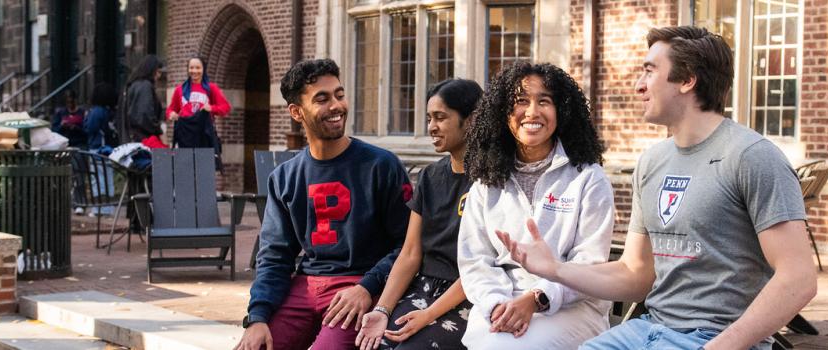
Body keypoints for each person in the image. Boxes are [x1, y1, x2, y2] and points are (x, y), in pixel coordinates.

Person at [495, 26, 817, 350]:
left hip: (717, 338)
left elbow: (798, 279)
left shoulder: (752, 157)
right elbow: (635, 274)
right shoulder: (652, 162)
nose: (639, 86)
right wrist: (555, 270)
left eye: (649, 71)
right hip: (649, 330)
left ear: (687, 79)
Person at [234, 59, 411, 350]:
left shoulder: (381, 165)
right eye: (322, 99)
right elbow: (275, 255)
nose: (336, 106)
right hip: (304, 288)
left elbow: (408, 245)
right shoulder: (285, 178)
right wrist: (257, 317)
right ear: (296, 112)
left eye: (339, 95)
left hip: (359, 285)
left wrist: (367, 287)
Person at [455, 62, 612, 349]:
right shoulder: (487, 182)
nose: (532, 112)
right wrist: (498, 305)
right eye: (521, 101)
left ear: (561, 111)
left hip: (573, 307)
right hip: (501, 304)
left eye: (544, 101)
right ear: (503, 113)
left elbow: (591, 261)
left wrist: (536, 297)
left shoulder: (587, 178)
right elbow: (475, 260)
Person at [354, 79, 483, 350]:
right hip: (423, 287)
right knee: (376, 344)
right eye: (429, 118)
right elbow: (410, 253)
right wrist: (382, 310)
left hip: (469, 294)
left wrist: (429, 315)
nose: (431, 127)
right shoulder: (429, 177)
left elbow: (481, 267)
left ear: (471, 121)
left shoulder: (492, 182)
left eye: (440, 117)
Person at [166, 56, 230, 154]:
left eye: (198, 68)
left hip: (204, 133)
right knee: (186, 166)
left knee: (204, 167)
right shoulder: (180, 89)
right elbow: (170, 110)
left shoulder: (211, 88)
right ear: (188, 69)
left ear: (203, 69)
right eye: (191, 68)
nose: (194, 71)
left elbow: (225, 107)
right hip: (185, 134)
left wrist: (211, 108)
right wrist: (171, 114)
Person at [119, 56, 164, 145]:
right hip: (143, 141)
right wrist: (159, 131)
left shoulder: (132, 85)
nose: (159, 76)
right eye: (158, 72)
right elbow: (145, 114)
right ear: (151, 70)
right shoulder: (145, 86)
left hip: (131, 140)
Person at [84, 82, 120, 151]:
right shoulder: (108, 110)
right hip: (107, 145)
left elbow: (89, 128)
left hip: (99, 146)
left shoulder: (97, 111)